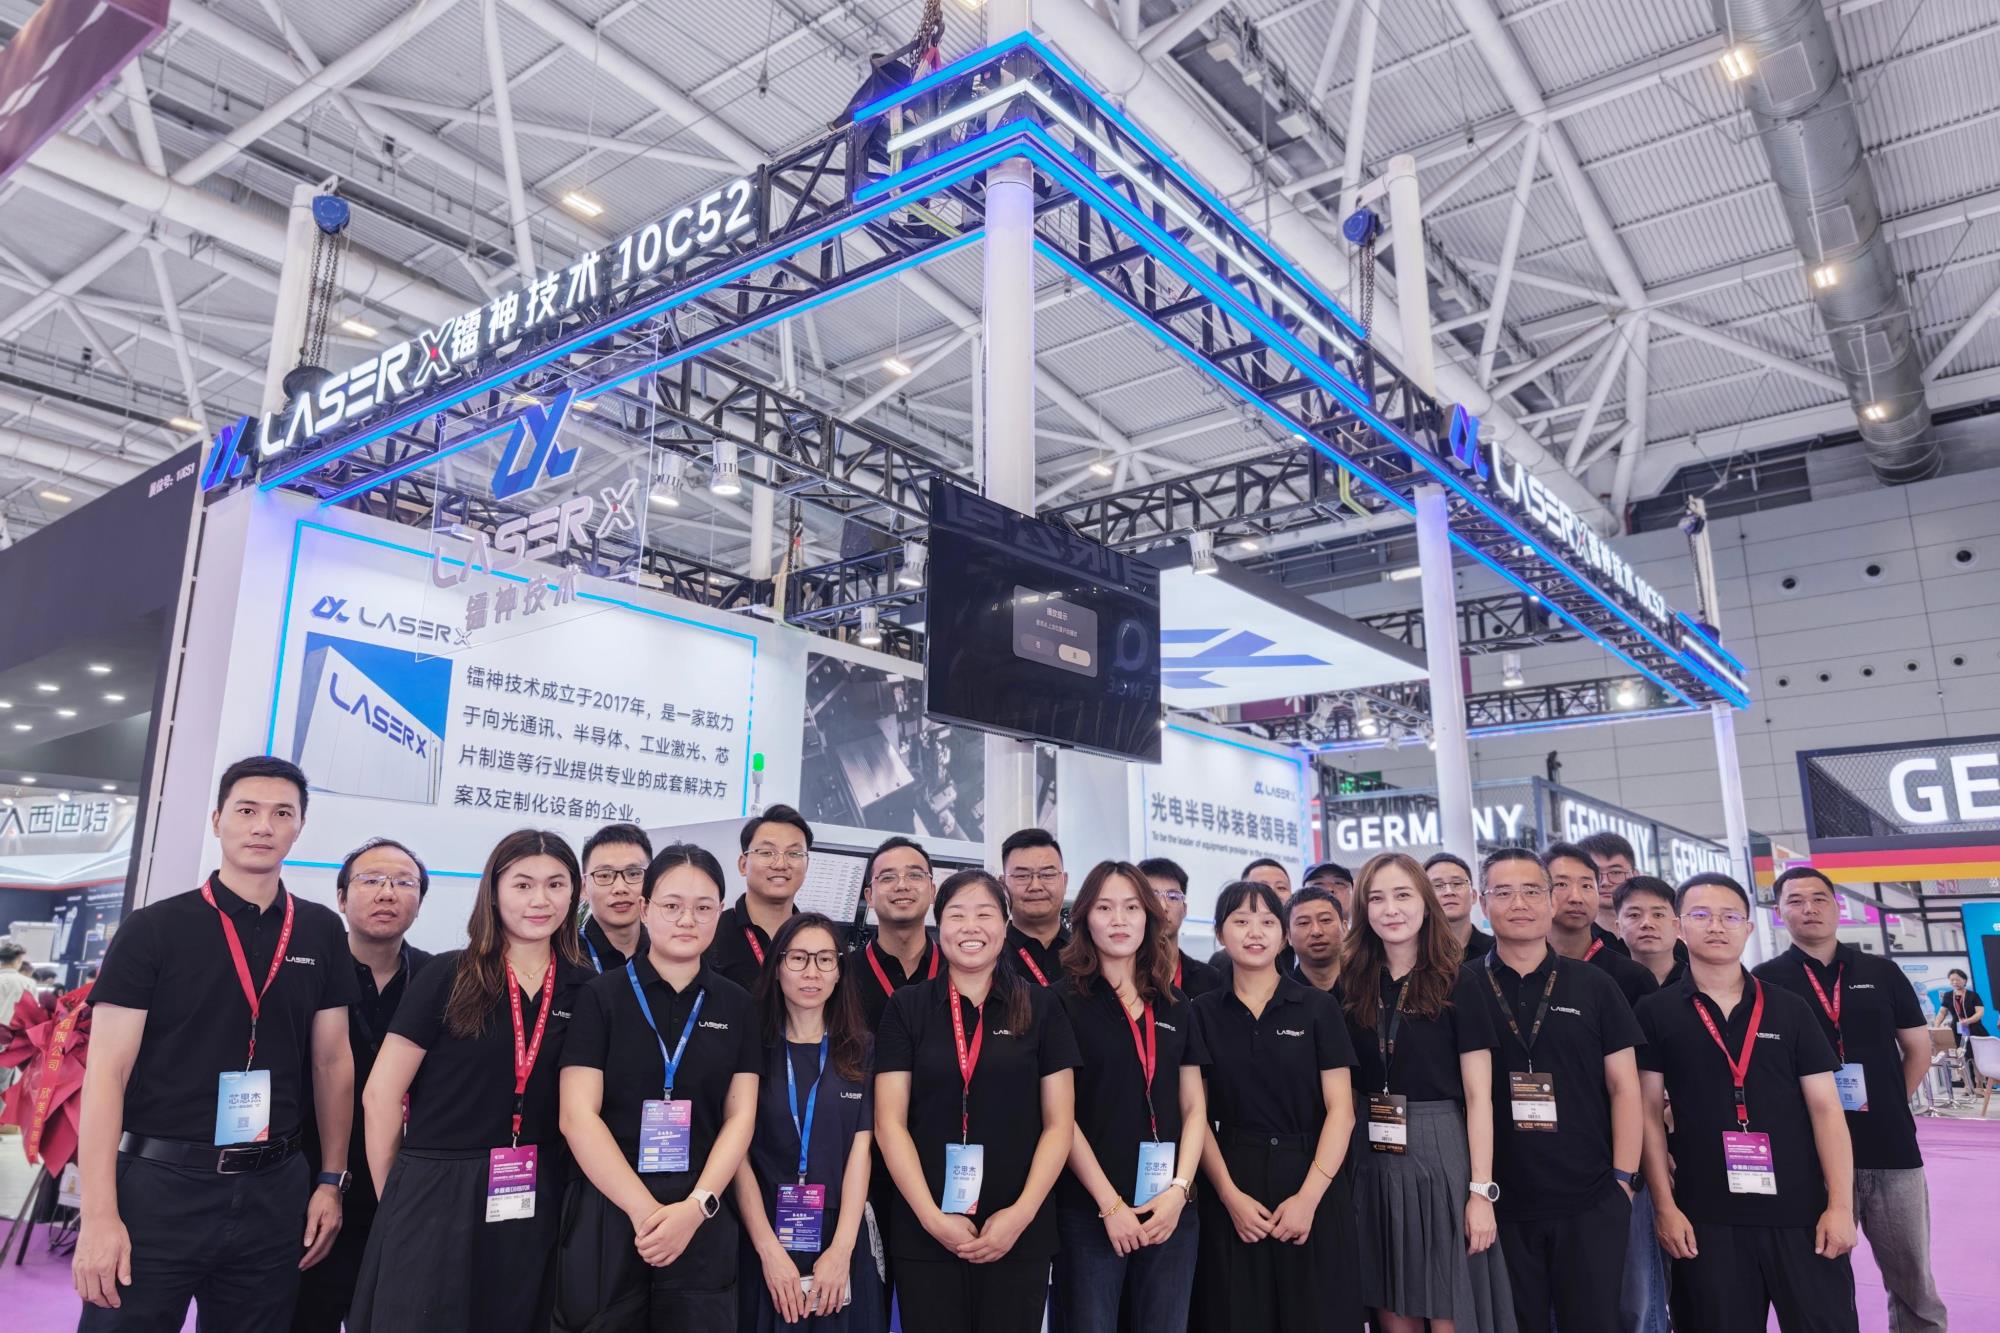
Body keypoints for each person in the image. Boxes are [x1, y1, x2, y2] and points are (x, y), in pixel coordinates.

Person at [73, 756, 356, 1331]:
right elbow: (106, 1074)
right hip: (160, 1187)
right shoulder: (154, 929)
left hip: (275, 1188)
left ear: (300, 827)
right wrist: (99, 1216)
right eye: (246, 810)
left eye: (282, 813)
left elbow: (331, 1062)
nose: (263, 826)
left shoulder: (322, 929)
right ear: (217, 820)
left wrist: (331, 1180)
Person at [348, 831, 591, 1331]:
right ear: (494, 892)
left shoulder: (586, 987)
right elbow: (380, 1095)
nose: (540, 900)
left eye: (555, 884)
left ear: (574, 893)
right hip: (437, 1187)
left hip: (537, 1187)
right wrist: (397, 1197)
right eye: (522, 884)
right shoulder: (450, 974)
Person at [1636, 873, 1860, 1333]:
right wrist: (1665, 1207)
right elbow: (1647, 1116)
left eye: (1730, 916)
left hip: (1801, 1213)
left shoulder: (1789, 1008)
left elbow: (1826, 1109)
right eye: (1701, 915)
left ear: (1749, 927)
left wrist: (1840, 1206)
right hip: (1704, 1220)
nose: (1716, 926)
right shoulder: (1656, 1012)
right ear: (1679, 927)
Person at [557, 843, 764, 1330]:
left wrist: (696, 1208)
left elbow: (741, 1116)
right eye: (672, 905)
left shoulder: (737, 1005)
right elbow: (576, 1116)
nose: (687, 919)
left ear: (719, 913)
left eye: (703, 908)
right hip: (609, 1210)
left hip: (701, 1213)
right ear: (646, 909)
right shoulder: (600, 996)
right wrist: (645, 1212)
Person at [874, 869, 1080, 1332]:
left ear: (1005, 925)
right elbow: (890, 1123)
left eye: (985, 914)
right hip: (925, 1230)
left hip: (1019, 1230)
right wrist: (931, 1218)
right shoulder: (907, 1007)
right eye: (957, 915)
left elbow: (1059, 1124)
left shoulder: (1042, 1007)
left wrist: (1020, 1216)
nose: (971, 927)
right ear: (938, 924)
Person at [1756, 866, 1945, 1333]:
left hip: (1890, 1149)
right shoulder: (1764, 980)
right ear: (1779, 913)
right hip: (1808, 1156)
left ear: (1837, 906)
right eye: (1795, 900)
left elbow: (1919, 1049)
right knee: (1820, 1282)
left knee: (1913, 1279)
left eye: (1819, 898)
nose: (1809, 908)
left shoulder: (1881, 971)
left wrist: (1890, 1103)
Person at [1465, 848, 1642, 1333]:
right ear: (1483, 902)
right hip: (1499, 1202)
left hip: (1590, 1199)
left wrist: (1623, 1183)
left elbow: (1625, 1088)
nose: (1519, 903)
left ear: (1550, 900)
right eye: (1503, 892)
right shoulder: (1460, 986)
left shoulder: (1595, 985)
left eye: (1532, 891)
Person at [1341, 853, 1513, 1333]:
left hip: (1441, 1154)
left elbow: (1479, 1097)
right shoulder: (1351, 983)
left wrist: (1481, 1193)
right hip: (1371, 1155)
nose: (1390, 909)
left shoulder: (1460, 980)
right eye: (1377, 898)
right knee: (1390, 1303)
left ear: (1425, 903)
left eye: (1402, 895)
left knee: (1448, 1305)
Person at [1189, 880, 1361, 1333]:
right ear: (1219, 933)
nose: (1254, 932)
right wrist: (1229, 1197)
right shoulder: (1200, 1012)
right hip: (1232, 1179)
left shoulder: (1317, 1007)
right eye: (1240, 921)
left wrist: (1308, 1199)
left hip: (1312, 1175)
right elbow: (1195, 1115)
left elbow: (1342, 1111)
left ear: (1284, 936)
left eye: (1267, 921)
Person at [1051, 863, 1208, 1333]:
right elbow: (1060, 1116)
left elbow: (1194, 1108)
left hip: (1170, 1209)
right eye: (1104, 908)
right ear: (1084, 918)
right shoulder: (1059, 1002)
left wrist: (1180, 1190)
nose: (1119, 920)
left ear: (1149, 918)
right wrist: (1110, 1205)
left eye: (1131, 907)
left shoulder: (1176, 1004)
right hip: (1089, 1211)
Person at [293, 839, 435, 1333]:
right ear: (341, 897)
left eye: (404, 882)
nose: (387, 893)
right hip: (310, 1187)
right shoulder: (306, 972)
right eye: (371, 880)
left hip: (401, 1188)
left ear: (420, 902)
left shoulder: (440, 979)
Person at [735, 912, 883, 1332]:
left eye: (825, 959)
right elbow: (737, 1153)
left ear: (840, 971)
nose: (812, 972)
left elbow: (860, 1151)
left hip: (841, 1233)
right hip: (764, 1233)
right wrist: (767, 1250)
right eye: (798, 958)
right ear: (776, 967)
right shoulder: (751, 1046)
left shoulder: (861, 1049)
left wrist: (842, 1250)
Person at [711, 805, 820, 991]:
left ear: (807, 865)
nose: (781, 864)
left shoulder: (818, 940)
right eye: (767, 853)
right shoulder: (712, 932)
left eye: (794, 854)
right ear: (743, 864)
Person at [1545, 843, 1657, 1009]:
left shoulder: (1632, 977)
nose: (1576, 898)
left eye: (1586, 886)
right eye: (1561, 884)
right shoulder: (1518, 968)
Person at [853, 835, 940, 1031]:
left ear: (932, 891)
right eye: (887, 877)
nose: (902, 886)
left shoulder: (956, 970)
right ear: (869, 896)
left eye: (915, 875)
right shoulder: (843, 973)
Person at [1140, 857, 1222, 998]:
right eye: (1153, 896)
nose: (1163, 907)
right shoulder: (1124, 975)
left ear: (1184, 909)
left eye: (1173, 897)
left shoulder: (1210, 979)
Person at [1000, 828, 1071, 988]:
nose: (1035, 886)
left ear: (1064, 881)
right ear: (1003, 885)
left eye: (1047, 874)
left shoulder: (1089, 955)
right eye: (1022, 876)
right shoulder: (991, 958)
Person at [580, 823, 654, 973]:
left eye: (633, 873)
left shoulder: (668, 954)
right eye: (604, 875)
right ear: (584, 888)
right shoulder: (561, 958)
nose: (620, 888)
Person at [1576, 833, 1639, 954]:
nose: (1605, 882)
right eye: (1596, 873)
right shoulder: (1571, 937)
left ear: (1635, 875)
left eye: (1616, 872)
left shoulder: (1651, 932)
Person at [1615, 878, 1684, 988]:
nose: (1647, 923)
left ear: (1677, 925)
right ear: (1619, 927)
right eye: (1634, 915)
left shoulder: (1697, 981)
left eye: (1658, 915)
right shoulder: (1607, 984)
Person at [1426, 853, 1492, 960]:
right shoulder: (1414, 954)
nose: (1449, 892)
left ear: (1473, 896)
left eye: (1457, 883)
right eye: (1438, 885)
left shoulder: (1496, 951)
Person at [1287, 886, 1346, 996]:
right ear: (1288, 936)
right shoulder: (1278, 994)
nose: (1316, 931)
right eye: (1303, 923)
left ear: (1345, 928)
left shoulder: (1371, 984)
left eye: (1325, 920)